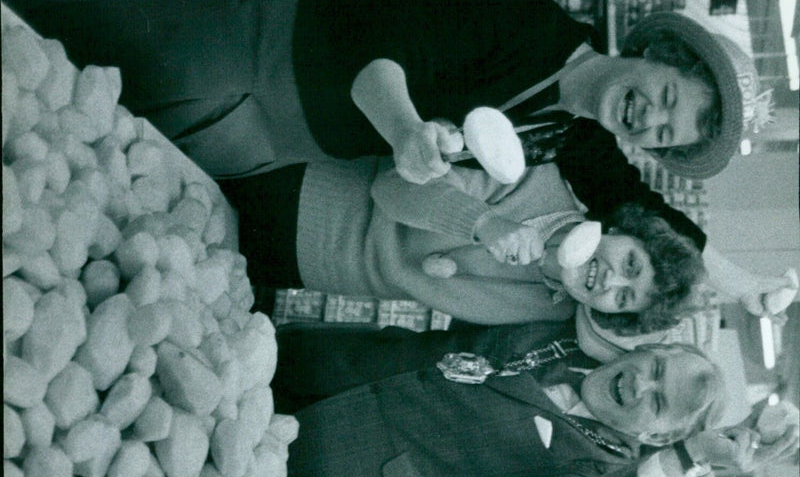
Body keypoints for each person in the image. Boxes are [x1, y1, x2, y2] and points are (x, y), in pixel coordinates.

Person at [5, 0, 793, 315]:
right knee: (46, 33)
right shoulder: (526, 17)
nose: (650, 119)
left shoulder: (580, 144)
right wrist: (409, 131)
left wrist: (747, 283)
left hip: (279, 145)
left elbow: (652, 216)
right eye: (666, 99)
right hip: (266, 49)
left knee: (62, 133)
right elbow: (380, 57)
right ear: (658, 55)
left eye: (664, 134)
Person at [281, 326, 795, 477]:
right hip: (324, 365)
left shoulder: (606, 470)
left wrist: (691, 458)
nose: (640, 383)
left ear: (659, 433)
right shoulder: (567, 334)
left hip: (346, 473)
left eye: (657, 402)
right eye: (656, 367)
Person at [218, 161, 704, 327]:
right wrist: (485, 223)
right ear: (620, 230)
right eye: (631, 265)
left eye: (624, 299)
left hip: (313, 272)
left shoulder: (550, 309)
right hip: (305, 198)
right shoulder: (533, 180)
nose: (611, 280)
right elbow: (392, 187)